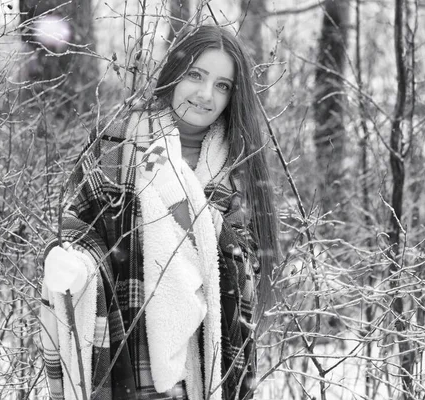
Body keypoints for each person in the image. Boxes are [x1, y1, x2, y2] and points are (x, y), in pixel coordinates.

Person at [39, 24, 279, 400]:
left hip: (203, 361)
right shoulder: (119, 139)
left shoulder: (238, 167)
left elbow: (249, 266)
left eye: (222, 85)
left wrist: (197, 217)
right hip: (128, 343)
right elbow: (80, 227)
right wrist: (77, 265)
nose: (204, 95)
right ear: (174, 73)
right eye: (195, 75)